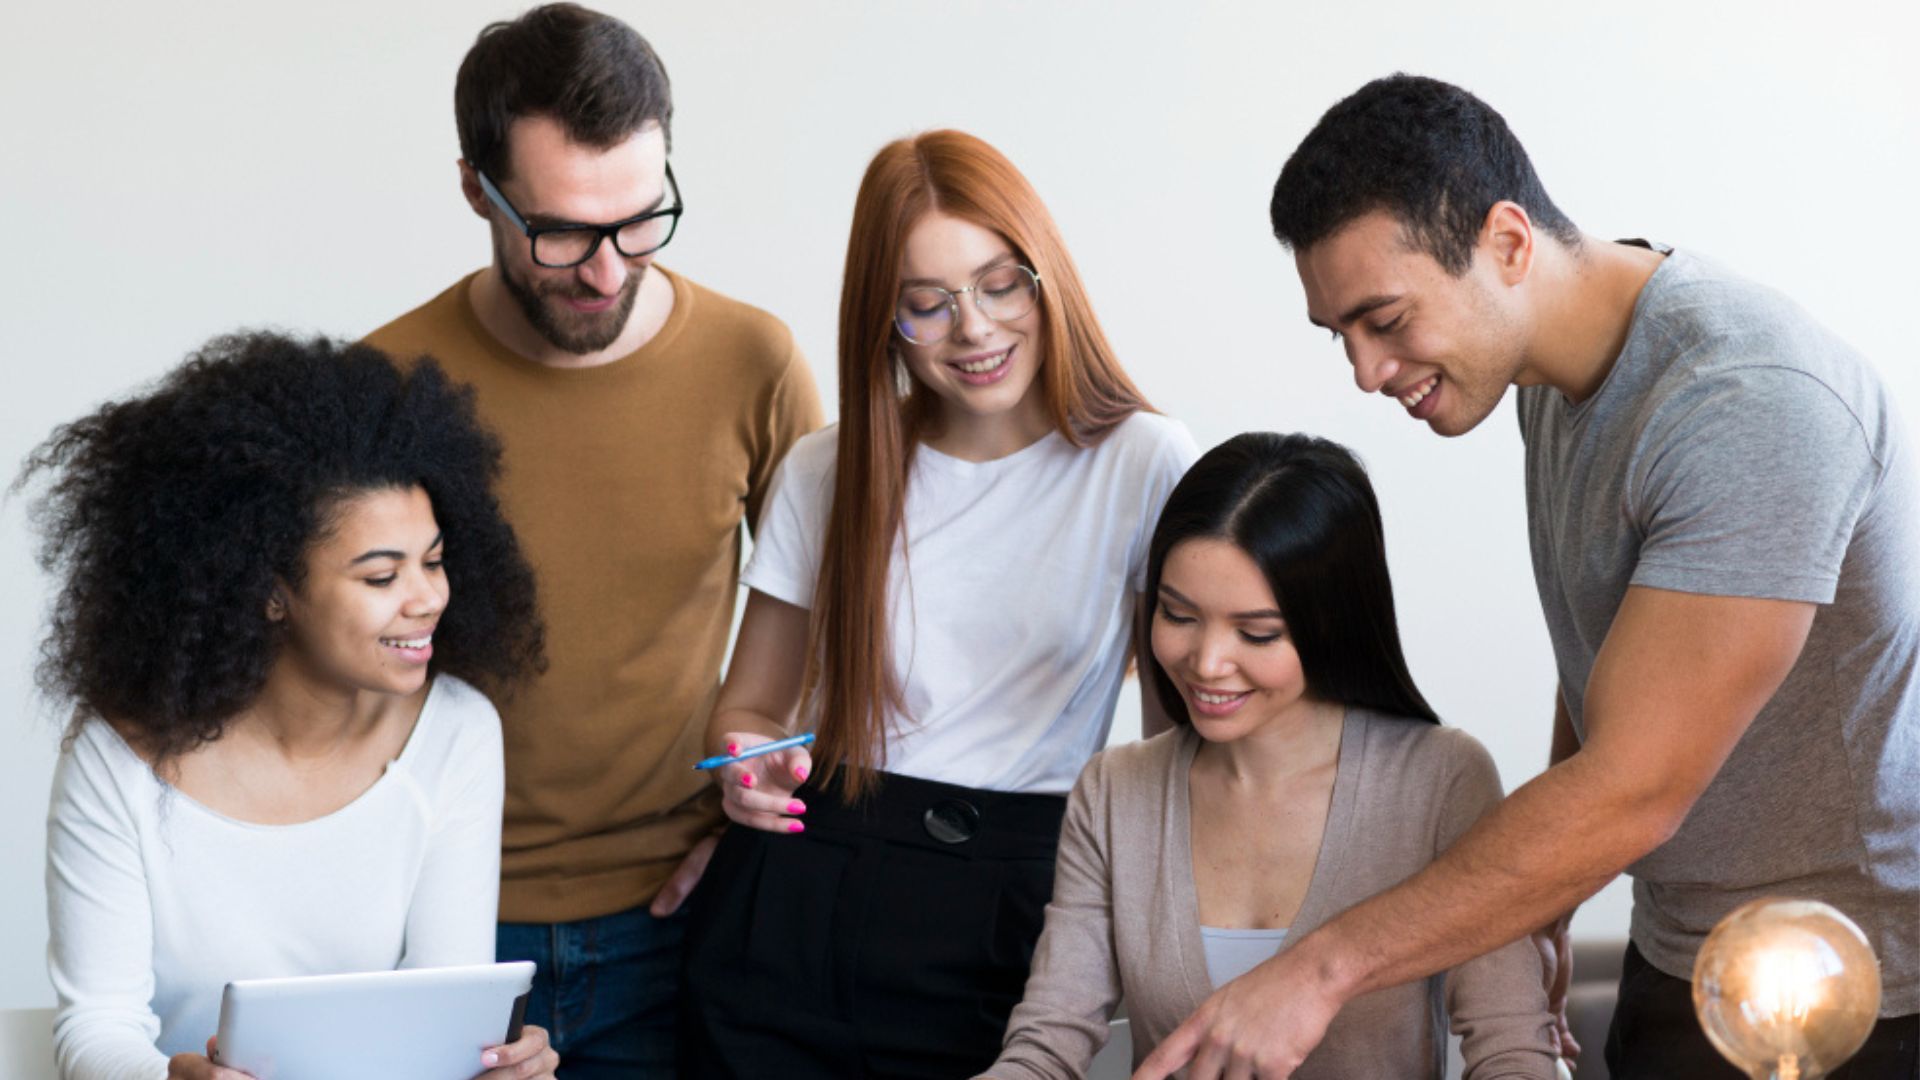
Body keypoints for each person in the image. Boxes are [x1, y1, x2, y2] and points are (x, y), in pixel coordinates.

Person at [1134, 74, 1920, 1080]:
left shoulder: (1746, 402)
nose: (1365, 374)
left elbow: (1635, 788)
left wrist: (1319, 971)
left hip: (1856, 997)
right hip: (1689, 958)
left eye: (1383, 320)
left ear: (1508, 244)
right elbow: (1615, 654)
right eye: (1341, 335)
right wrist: (1545, 905)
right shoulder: (1546, 377)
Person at [677, 128, 1198, 1078]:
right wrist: (746, 768)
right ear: (884, 322)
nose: (975, 330)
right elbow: (749, 709)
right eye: (928, 304)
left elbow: (1175, 760)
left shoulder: (1147, 465)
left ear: (1047, 278)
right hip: (804, 890)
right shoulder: (826, 470)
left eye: (1001, 285)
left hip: (1016, 901)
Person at [363, 5, 823, 1073]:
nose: (609, 271)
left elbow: (847, 622)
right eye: (562, 232)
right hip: (437, 931)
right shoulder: (384, 383)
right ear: (477, 187)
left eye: (642, 219)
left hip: (686, 920)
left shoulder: (755, 361)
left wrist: (751, 827)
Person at [26, 332, 556, 1080]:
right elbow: (96, 1030)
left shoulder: (456, 732)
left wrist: (495, 1061)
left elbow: (444, 1002)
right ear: (270, 590)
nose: (428, 598)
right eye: (380, 577)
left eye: (434, 562)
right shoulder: (117, 757)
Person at [984, 432, 1560, 1080]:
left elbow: (1515, 1057)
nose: (1205, 663)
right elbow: (1044, 1049)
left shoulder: (1441, 781)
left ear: (1330, 622)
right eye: (1178, 615)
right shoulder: (1117, 790)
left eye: (1256, 633)